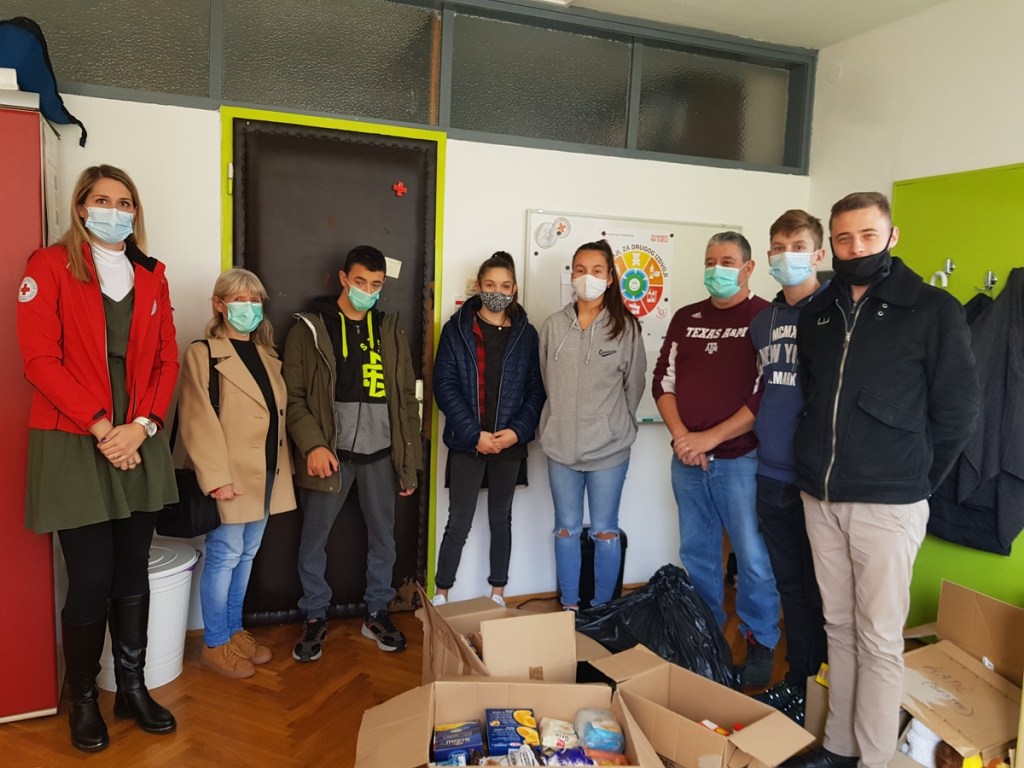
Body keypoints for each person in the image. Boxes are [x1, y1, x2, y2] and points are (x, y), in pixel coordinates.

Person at [785, 193, 979, 768]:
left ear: (892, 237)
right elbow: (814, 396)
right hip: (820, 495)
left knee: (879, 639)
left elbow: (958, 413)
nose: (855, 248)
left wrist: (914, 479)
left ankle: (874, 758)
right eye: (844, 239)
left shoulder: (933, 309)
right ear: (832, 243)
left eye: (868, 236)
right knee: (838, 627)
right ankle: (839, 747)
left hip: (888, 502)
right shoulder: (817, 314)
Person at [16, 165, 179, 752]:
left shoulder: (152, 276)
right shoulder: (48, 266)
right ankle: (84, 698)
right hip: (74, 438)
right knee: (90, 577)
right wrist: (104, 427)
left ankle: (131, 688)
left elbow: (166, 361)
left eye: (126, 202)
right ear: (82, 208)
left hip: (138, 437)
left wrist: (142, 426)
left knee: (133, 569)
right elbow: (39, 360)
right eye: (104, 200)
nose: (116, 210)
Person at [651, 231, 780, 690]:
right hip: (688, 460)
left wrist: (709, 439)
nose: (716, 269)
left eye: (726, 260)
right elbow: (662, 381)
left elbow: (764, 393)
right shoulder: (686, 318)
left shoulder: (765, 318)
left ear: (748, 268)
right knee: (697, 553)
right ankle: (704, 635)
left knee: (753, 556)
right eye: (710, 261)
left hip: (741, 460)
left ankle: (761, 639)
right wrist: (684, 439)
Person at [284, 245, 422, 660]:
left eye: (376, 284)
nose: (368, 291)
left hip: (381, 455)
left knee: (384, 539)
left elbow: (405, 400)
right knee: (314, 541)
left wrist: (408, 463)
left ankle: (377, 611)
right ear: (344, 278)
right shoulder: (310, 328)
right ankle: (314, 615)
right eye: (360, 281)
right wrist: (313, 444)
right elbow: (293, 398)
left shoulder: (390, 329)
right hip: (330, 454)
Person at [177, 268, 296, 679]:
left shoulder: (268, 356)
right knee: (225, 555)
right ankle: (214, 643)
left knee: (246, 554)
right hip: (230, 476)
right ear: (219, 304)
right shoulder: (203, 353)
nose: (249, 307)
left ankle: (233, 630)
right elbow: (197, 419)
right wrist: (216, 478)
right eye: (239, 299)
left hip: (267, 474)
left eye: (255, 300)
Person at [748, 210, 829, 722]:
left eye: (797, 246)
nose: (786, 256)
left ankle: (824, 690)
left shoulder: (837, 312)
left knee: (824, 592)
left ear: (818, 254)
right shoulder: (763, 321)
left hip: (817, 480)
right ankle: (798, 682)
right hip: (770, 473)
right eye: (778, 247)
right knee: (791, 588)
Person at [432, 252, 545, 607]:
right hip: (468, 443)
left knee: (501, 519)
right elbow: (444, 386)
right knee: (458, 521)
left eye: (505, 286)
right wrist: (473, 435)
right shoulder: (456, 330)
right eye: (490, 285)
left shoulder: (527, 335)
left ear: (515, 289)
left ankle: (498, 594)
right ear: (479, 287)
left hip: (509, 444)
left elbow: (536, 390)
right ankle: (441, 595)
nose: (498, 292)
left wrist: (517, 432)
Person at [538, 240, 646, 611]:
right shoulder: (554, 326)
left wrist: (613, 425)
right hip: (560, 448)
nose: (588, 277)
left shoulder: (625, 327)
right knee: (565, 529)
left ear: (610, 278)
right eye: (580, 270)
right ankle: (569, 607)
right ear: (572, 275)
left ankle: (602, 610)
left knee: (605, 531)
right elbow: (545, 380)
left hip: (609, 450)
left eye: (597, 271)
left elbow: (634, 385)